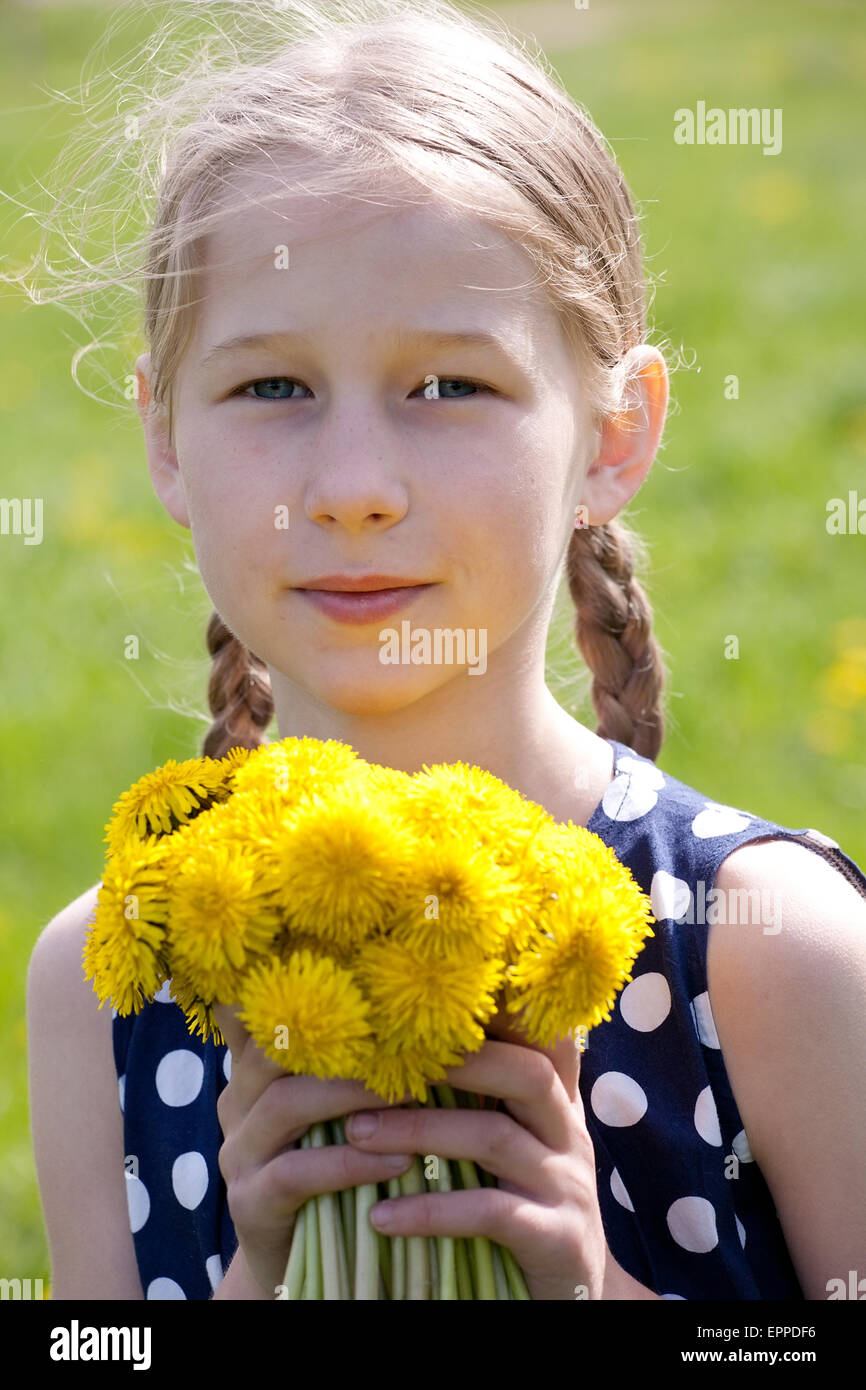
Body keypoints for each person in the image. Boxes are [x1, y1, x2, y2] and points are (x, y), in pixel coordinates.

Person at [25, 0, 866, 1301]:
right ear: (164, 437)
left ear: (611, 436)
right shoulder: (109, 982)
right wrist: (255, 1273)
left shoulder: (766, 946)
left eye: (447, 387)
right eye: (271, 388)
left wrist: (592, 1282)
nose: (353, 485)